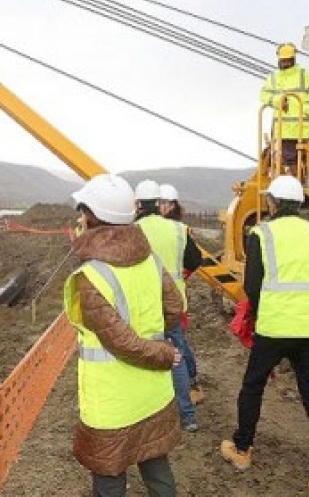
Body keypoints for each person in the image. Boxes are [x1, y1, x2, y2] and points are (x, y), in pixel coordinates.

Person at [220, 175, 309, 495]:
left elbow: (252, 286)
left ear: (273, 203)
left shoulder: (262, 233)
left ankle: (242, 448)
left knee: (253, 386)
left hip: (275, 327)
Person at [65, 173, 184, 497]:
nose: (79, 218)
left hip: (112, 401)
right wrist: (157, 342)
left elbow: (117, 340)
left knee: (110, 478)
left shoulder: (92, 275)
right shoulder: (149, 260)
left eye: (82, 211)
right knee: (157, 467)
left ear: (92, 216)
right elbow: (174, 308)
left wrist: (162, 354)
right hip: (152, 393)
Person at [135, 180, 203, 431]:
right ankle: (187, 417)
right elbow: (196, 260)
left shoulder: (133, 230)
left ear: (139, 204)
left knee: (144, 355)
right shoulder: (178, 229)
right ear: (159, 203)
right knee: (177, 357)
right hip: (174, 303)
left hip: (144, 305)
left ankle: (149, 414)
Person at [158, 182, 205, 404]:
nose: (160, 206)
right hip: (173, 296)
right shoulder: (175, 229)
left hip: (170, 298)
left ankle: (191, 382)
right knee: (176, 341)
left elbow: (195, 260)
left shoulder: (176, 230)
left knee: (178, 342)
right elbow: (194, 261)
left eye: (164, 203)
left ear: (172, 205)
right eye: (159, 203)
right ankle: (188, 380)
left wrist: (180, 276)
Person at [259, 43, 309, 169]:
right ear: (279, 60)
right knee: (288, 165)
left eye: (288, 60)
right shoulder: (273, 78)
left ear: (293, 59)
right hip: (283, 132)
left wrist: (305, 111)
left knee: (304, 164)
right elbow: (264, 95)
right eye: (283, 61)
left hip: (302, 130)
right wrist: (278, 101)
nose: (285, 63)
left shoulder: (305, 76)